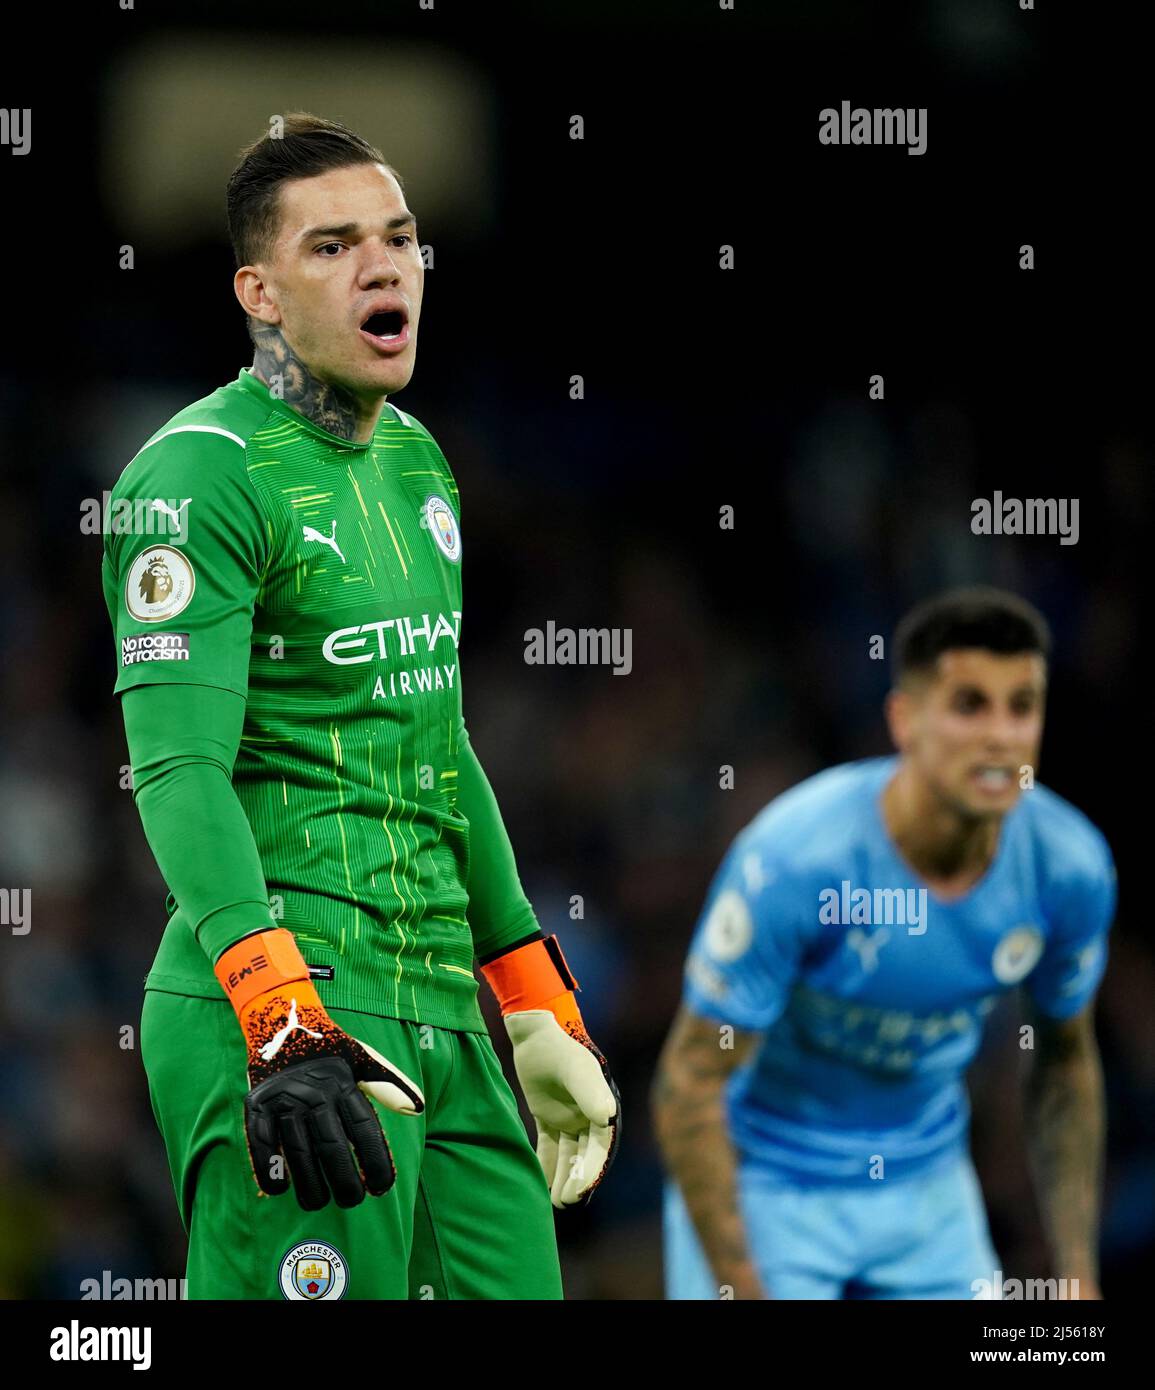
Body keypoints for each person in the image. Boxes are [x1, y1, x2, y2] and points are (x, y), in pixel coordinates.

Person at [102, 112, 619, 1300]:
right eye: (332, 247)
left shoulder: (420, 463)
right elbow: (177, 769)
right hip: (293, 1010)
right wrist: (281, 1015)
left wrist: (529, 988)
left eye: (399, 239)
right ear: (260, 292)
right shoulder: (198, 473)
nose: (385, 266)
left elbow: (440, 742)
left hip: (439, 991)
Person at [653, 587, 1113, 1299]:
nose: (1000, 736)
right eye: (969, 705)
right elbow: (688, 1082)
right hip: (767, 1185)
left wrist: (1077, 1272)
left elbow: (1063, 1065)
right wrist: (739, 1283)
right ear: (904, 719)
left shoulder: (1068, 868)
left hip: (925, 1194)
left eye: (1020, 706)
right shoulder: (794, 862)